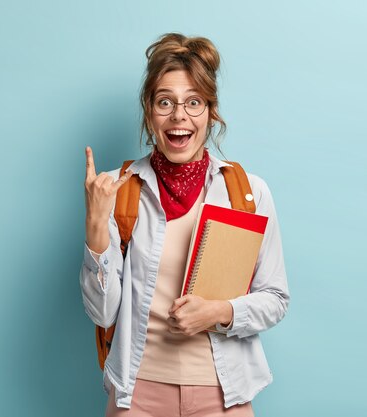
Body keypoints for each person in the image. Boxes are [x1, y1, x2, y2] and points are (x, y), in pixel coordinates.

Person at [80, 33, 290, 417]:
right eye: (166, 102)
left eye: (194, 102)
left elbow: (275, 299)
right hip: (137, 396)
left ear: (211, 111)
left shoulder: (246, 193)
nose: (179, 115)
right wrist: (96, 225)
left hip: (222, 395)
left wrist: (219, 312)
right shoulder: (117, 191)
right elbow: (103, 314)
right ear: (149, 111)